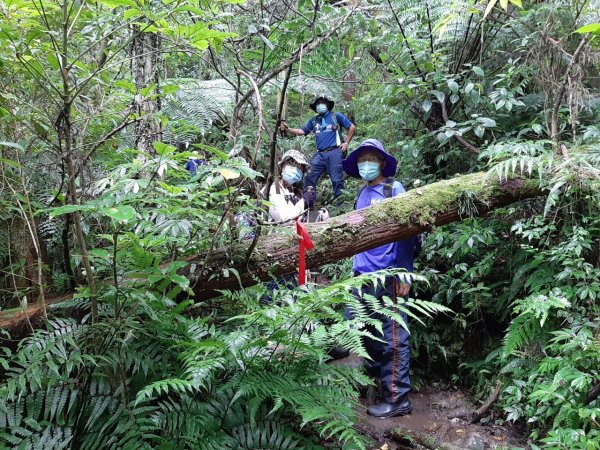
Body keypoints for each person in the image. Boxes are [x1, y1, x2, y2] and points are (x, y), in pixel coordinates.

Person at [342, 139, 417, 418]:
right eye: (362, 160)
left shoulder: (393, 189)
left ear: (382, 163)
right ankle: (375, 379)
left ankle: (398, 399)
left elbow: (409, 231)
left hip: (388, 277)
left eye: (371, 159)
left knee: (393, 337)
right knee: (364, 330)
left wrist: (404, 272)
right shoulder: (362, 193)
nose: (366, 165)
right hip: (362, 276)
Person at [279, 95, 355, 203]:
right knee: (310, 176)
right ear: (315, 107)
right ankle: (308, 203)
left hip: (335, 152)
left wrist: (346, 143)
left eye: (322, 103)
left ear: (328, 104)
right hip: (320, 154)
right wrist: (288, 129)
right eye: (318, 104)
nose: (320, 105)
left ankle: (339, 205)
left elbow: (352, 127)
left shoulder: (336, 116)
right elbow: (302, 131)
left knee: (336, 179)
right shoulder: (314, 120)